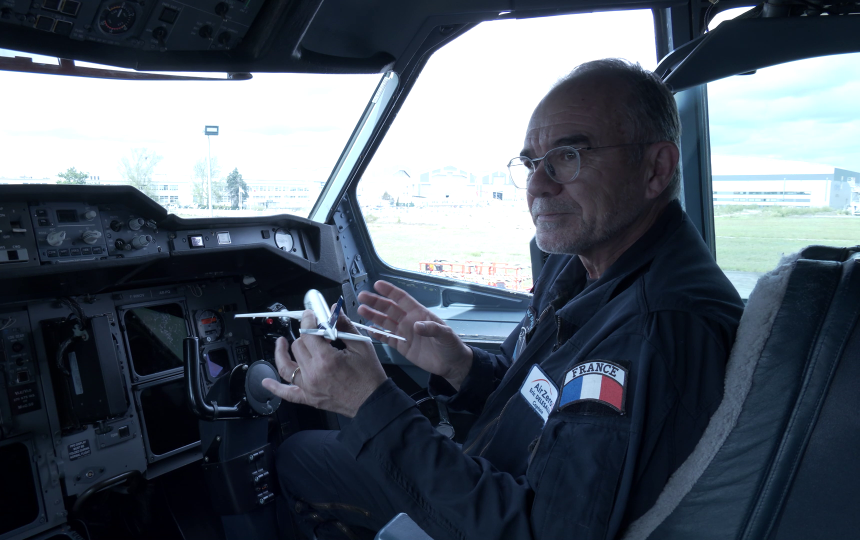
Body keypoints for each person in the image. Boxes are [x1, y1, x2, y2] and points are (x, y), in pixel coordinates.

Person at [261, 59, 744, 540]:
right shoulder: (584, 264)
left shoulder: (654, 331)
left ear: (656, 168)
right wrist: (462, 367)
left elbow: (541, 532)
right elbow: (542, 398)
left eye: (568, 156)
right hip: (492, 474)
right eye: (532, 163)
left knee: (297, 458)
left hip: (497, 507)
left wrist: (369, 402)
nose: (538, 184)